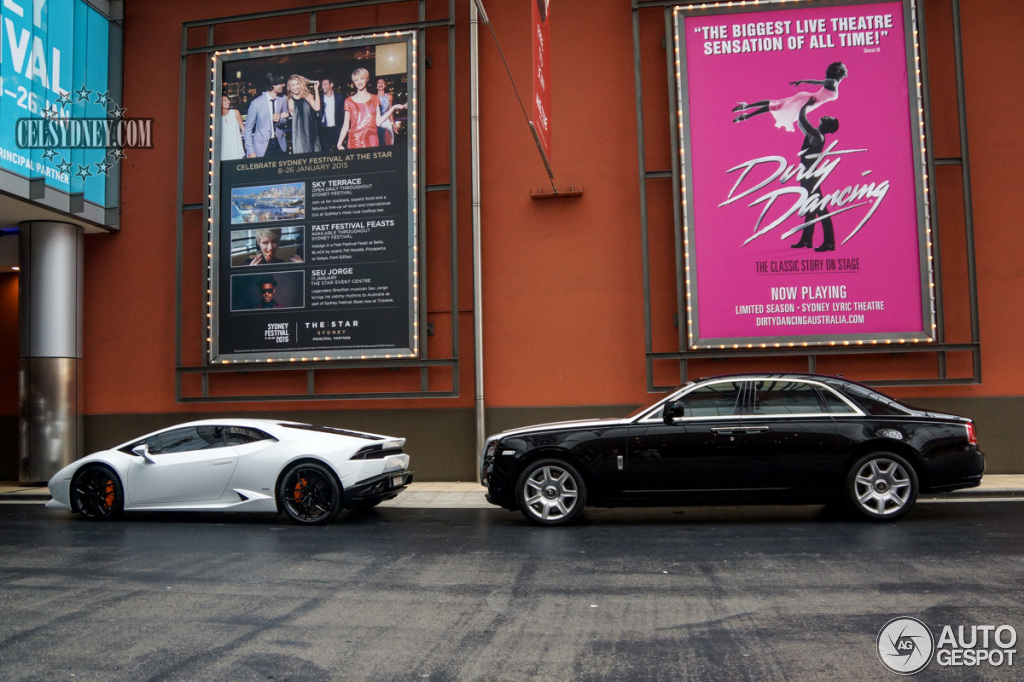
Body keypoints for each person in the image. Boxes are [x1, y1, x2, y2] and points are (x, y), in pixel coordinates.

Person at [732, 62, 847, 132]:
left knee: (776, 104)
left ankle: (746, 108)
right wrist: (802, 81)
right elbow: (816, 82)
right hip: (807, 100)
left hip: (809, 102)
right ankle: (747, 113)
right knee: (776, 106)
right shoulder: (832, 82)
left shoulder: (837, 81)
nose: (844, 68)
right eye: (842, 67)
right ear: (839, 70)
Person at [791, 97, 838, 252]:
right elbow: (800, 123)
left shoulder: (817, 136)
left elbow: (802, 120)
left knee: (820, 210)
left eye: (828, 118)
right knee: (810, 209)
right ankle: (806, 240)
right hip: (807, 177)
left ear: (827, 125)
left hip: (810, 178)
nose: (826, 116)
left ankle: (830, 243)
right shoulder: (815, 134)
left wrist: (806, 105)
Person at [336, 67, 407, 149]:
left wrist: (393, 107)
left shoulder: (374, 98)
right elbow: (346, 125)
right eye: (356, 80)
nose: (359, 82)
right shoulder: (348, 101)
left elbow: (378, 122)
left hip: (372, 140)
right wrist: (339, 144)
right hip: (355, 141)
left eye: (361, 78)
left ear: (367, 79)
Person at [243, 73, 290, 157]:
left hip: (280, 144)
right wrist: (250, 150)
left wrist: (279, 119)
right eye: (280, 83)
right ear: (272, 85)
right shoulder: (256, 104)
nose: (284, 85)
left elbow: (285, 120)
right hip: (262, 148)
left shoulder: (283, 99)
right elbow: (248, 128)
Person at [286, 74, 321, 154]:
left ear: (301, 84)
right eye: (293, 85)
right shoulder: (290, 102)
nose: (296, 87)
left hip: (312, 131)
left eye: (297, 84)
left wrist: (316, 90)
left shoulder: (308, 96)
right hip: (300, 134)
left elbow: (317, 108)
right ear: (290, 88)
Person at [318, 77, 344, 152]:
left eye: (325, 84)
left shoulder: (339, 97)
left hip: (337, 129)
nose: (323, 87)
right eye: (322, 85)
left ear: (331, 85)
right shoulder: (320, 99)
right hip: (324, 130)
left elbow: (342, 113)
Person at [220, 95, 245, 160]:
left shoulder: (235, 112)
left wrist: (247, 143)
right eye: (224, 100)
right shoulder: (217, 117)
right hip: (223, 149)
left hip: (236, 147)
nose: (228, 102)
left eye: (228, 100)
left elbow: (243, 128)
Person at [376, 78, 395, 146]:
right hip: (377, 122)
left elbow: (390, 112)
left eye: (382, 82)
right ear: (376, 86)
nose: (380, 84)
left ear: (385, 85)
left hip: (386, 122)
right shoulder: (373, 98)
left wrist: (394, 124)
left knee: (389, 141)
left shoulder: (389, 96)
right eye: (379, 82)